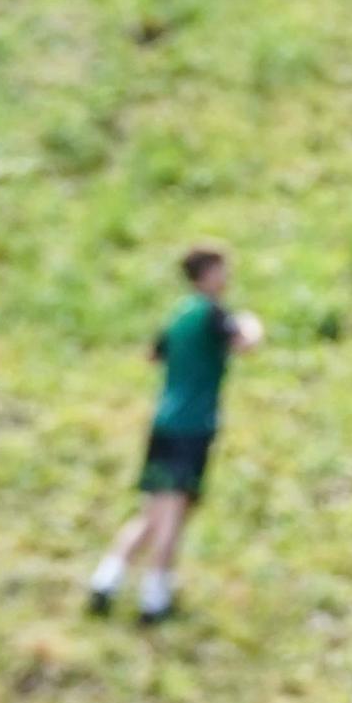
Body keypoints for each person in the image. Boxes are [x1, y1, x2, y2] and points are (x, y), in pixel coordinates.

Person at [87, 246, 259, 625]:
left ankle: (107, 578)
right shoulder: (213, 313)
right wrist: (252, 325)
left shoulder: (179, 315)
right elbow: (245, 343)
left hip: (163, 422)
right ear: (208, 274)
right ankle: (155, 596)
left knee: (154, 510)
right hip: (193, 427)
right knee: (174, 514)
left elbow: (153, 354)